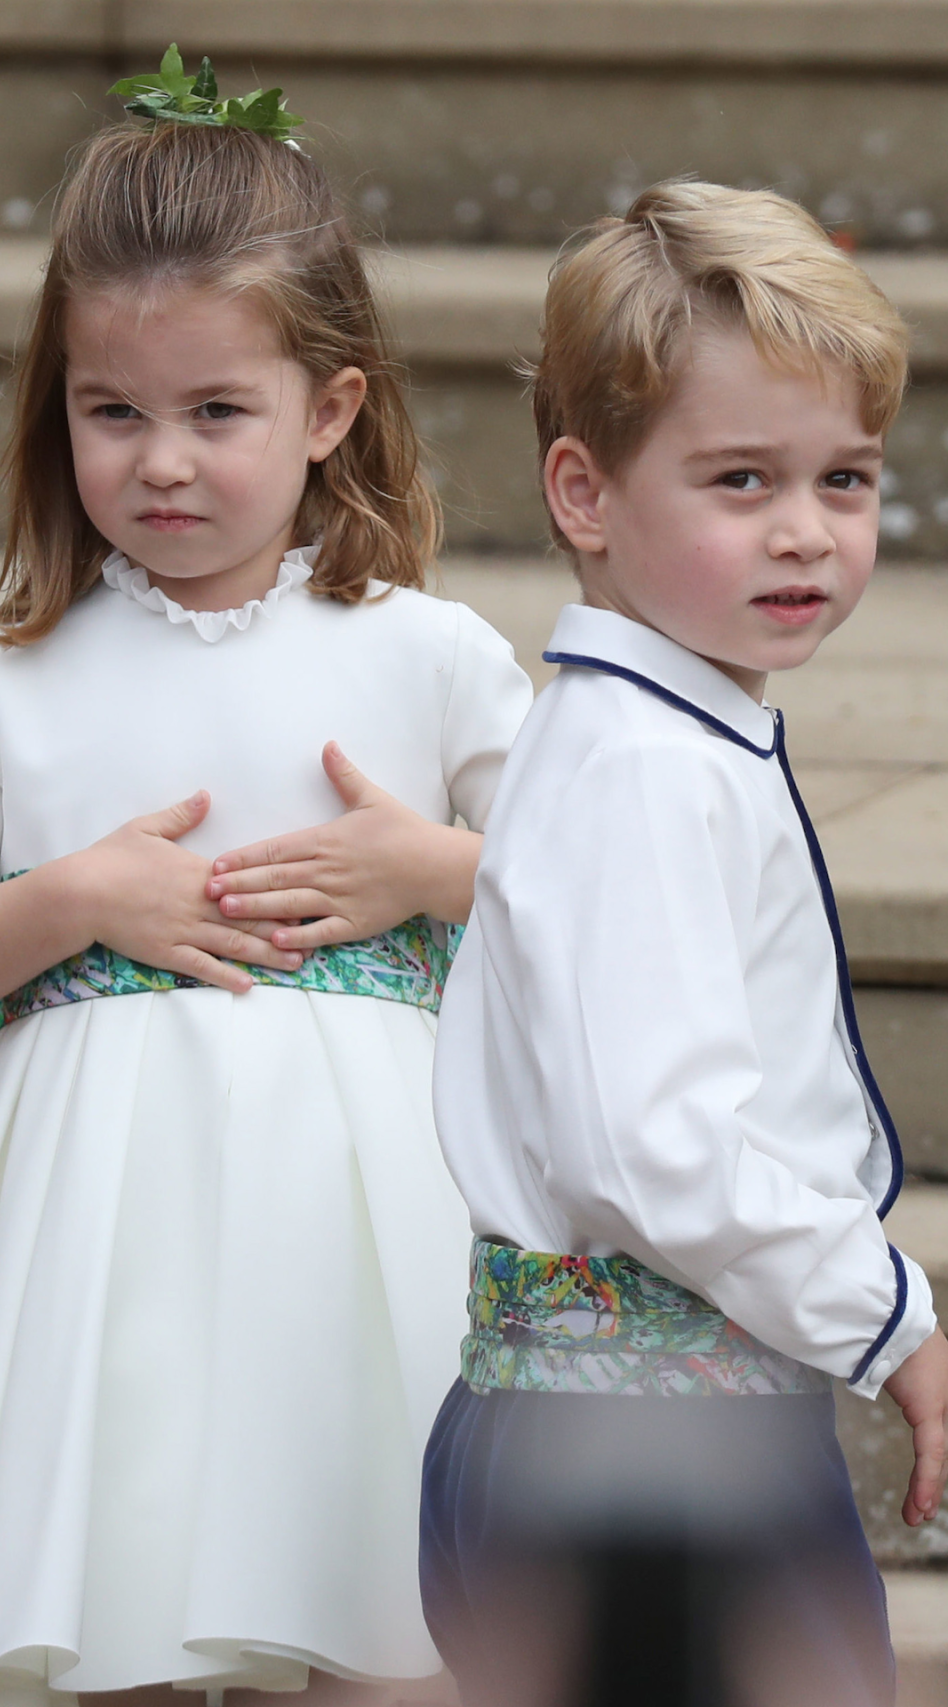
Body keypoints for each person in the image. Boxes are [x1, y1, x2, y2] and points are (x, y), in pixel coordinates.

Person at [0, 49, 532, 1707]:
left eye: (217, 411)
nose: (163, 461)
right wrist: (70, 902)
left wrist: (427, 866)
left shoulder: (427, 655)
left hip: (359, 1228)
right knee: (121, 1615)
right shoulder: (16, 668)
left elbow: (590, 906)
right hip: (97, 1238)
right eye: (114, 411)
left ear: (332, 409)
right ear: (55, 403)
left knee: (385, 1621)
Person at [423, 180, 948, 1707]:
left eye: (845, 479)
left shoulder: (658, 737)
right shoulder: (646, 767)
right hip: (643, 1449)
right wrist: (893, 1317)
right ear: (583, 495)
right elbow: (658, 1142)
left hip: (635, 1419)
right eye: (740, 480)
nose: (808, 532)